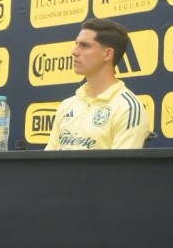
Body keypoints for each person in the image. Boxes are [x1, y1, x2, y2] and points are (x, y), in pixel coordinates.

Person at [45, 18, 150, 150]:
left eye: (84, 46)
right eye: (76, 44)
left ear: (107, 54)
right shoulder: (67, 105)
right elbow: (48, 160)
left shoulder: (127, 108)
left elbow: (122, 164)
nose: (74, 52)